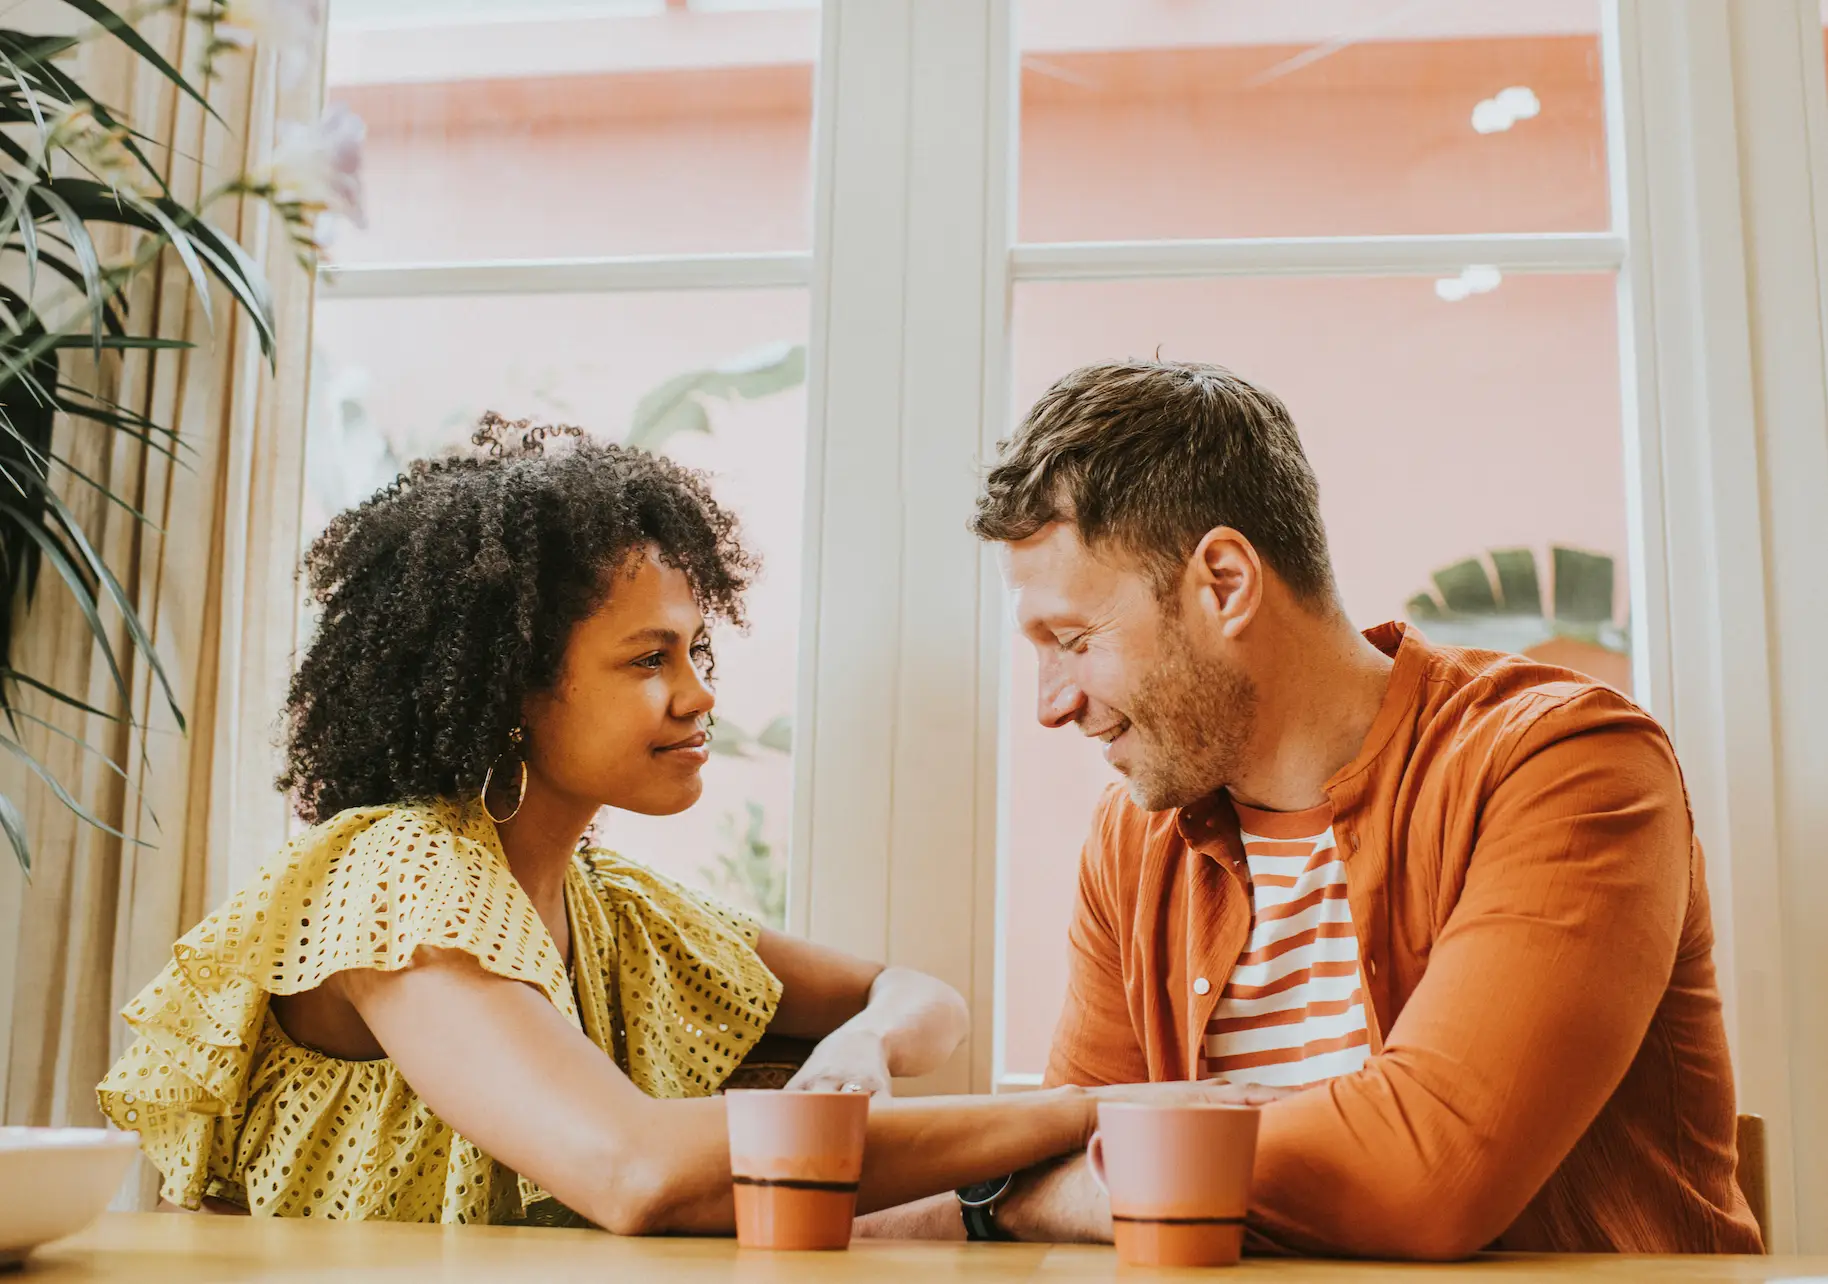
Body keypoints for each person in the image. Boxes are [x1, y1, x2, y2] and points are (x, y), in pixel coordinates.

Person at [96, 412, 1218, 1231]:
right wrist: (1091, 1113)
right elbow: (635, 1172)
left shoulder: (614, 910)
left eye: (695, 649)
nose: (698, 694)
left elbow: (923, 998)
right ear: (510, 686)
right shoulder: (400, 877)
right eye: (648, 660)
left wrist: (863, 1043)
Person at [860, 361, 1762, 1256]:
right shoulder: (1134, 838)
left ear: (1225, 583)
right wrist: (1040, 1185)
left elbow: (1426, 1172)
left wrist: (1017, 1199)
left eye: (1072, 638)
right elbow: (1061, 1157)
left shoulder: (1565, 764)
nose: (1051, 703)